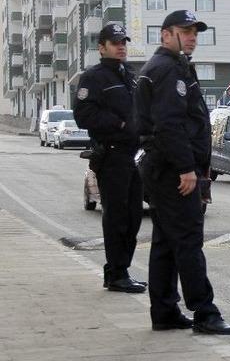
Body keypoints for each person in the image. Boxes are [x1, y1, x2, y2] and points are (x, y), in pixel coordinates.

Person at [135, 10, 230, 335]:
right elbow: (169, 125)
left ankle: (164, 311)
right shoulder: (167, 71)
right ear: (166, 35)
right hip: (172, 170)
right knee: (189, 241)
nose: (192, 36)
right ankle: (204, 312)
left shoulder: (172, 68)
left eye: (195, 31)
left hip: (164, 168)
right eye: (185, 30)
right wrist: (186, 168)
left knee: (166, 241)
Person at [73, 24, 145, 294]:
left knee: (134, 215)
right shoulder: (94, 77)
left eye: (123, 41)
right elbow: (83, 115)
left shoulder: (128, 75)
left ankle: (120, 270)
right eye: (115, 42)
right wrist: (120, 125)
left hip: (131, 156)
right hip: (112, 153)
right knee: (117, 217)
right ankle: (116, 273)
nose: (121, 46)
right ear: (101, 47)